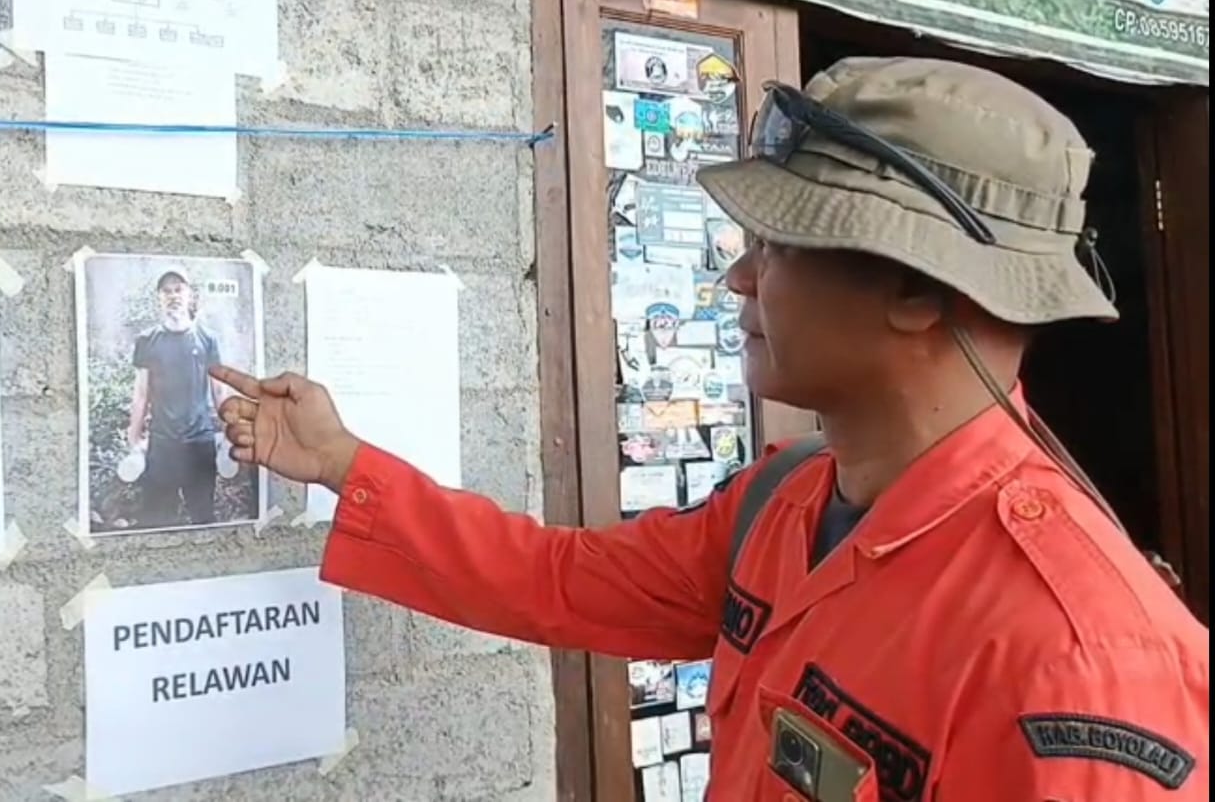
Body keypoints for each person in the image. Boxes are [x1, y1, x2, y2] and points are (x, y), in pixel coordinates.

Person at [210, 58, 1209, 799]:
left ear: (915, 289)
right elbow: (556, 580)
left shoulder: (1077, 656)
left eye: (776, 246)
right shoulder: (784, 504)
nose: (736, 278)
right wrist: (341, 462)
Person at [126, 267, 224, 526]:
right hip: (162, 443)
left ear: (189, 294)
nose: (173, 296)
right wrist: (134, 437)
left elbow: (218, 390)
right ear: (159, 297)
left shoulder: (208, 339)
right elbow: (141, 392)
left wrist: (229, 432)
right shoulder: (146, 340)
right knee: (157, 519)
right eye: (166, 291)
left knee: (203, 517)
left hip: (199, 442)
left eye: (178, 289)